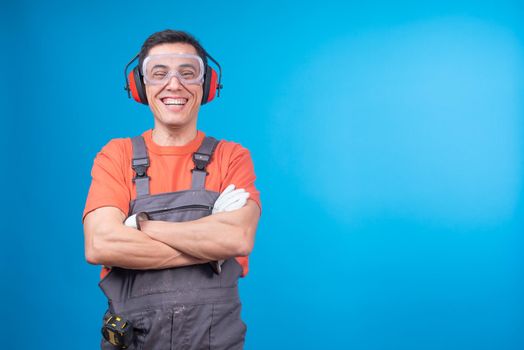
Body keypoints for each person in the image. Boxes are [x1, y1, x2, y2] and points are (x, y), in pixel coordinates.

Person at [82, 29, 261, 350]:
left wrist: (143, 226)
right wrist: (208, 250)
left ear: (206, 86)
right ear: (140, 86)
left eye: (188, 73)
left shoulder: (232, 157)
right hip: (134, 339)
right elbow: (100, 244)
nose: (174, 84)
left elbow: (237, 239)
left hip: (215, 340)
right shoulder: (116, 155)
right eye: (159, 73)